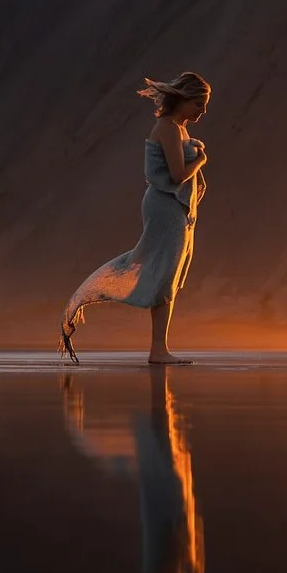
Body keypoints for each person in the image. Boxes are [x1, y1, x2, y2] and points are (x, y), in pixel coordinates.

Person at [61, 72, 209, 364]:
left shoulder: (177, 128)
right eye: (198, 104)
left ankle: (159, 348)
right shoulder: (168, 128)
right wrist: (201, 158)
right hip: (165, 206)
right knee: (163, 272)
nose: (202, 111)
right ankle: (158, 350)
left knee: (168, 273)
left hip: (173, 207)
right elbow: (178, 175)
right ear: (182, 99)